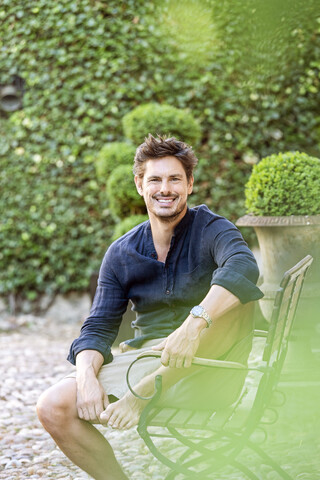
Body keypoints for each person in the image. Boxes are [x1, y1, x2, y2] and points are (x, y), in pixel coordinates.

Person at [37, 134, 263, 480]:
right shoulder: (121, 253)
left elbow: (244, 266)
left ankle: (143, 394)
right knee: (52, 406)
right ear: (140, 184)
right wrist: (85, 377)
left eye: (175, 179)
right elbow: (97, 327)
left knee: (231, 304)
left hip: (211, 370)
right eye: (155, 179)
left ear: (189, 184)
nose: (165, 189)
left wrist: (193, 324)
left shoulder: (213, 229)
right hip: (145, 361)